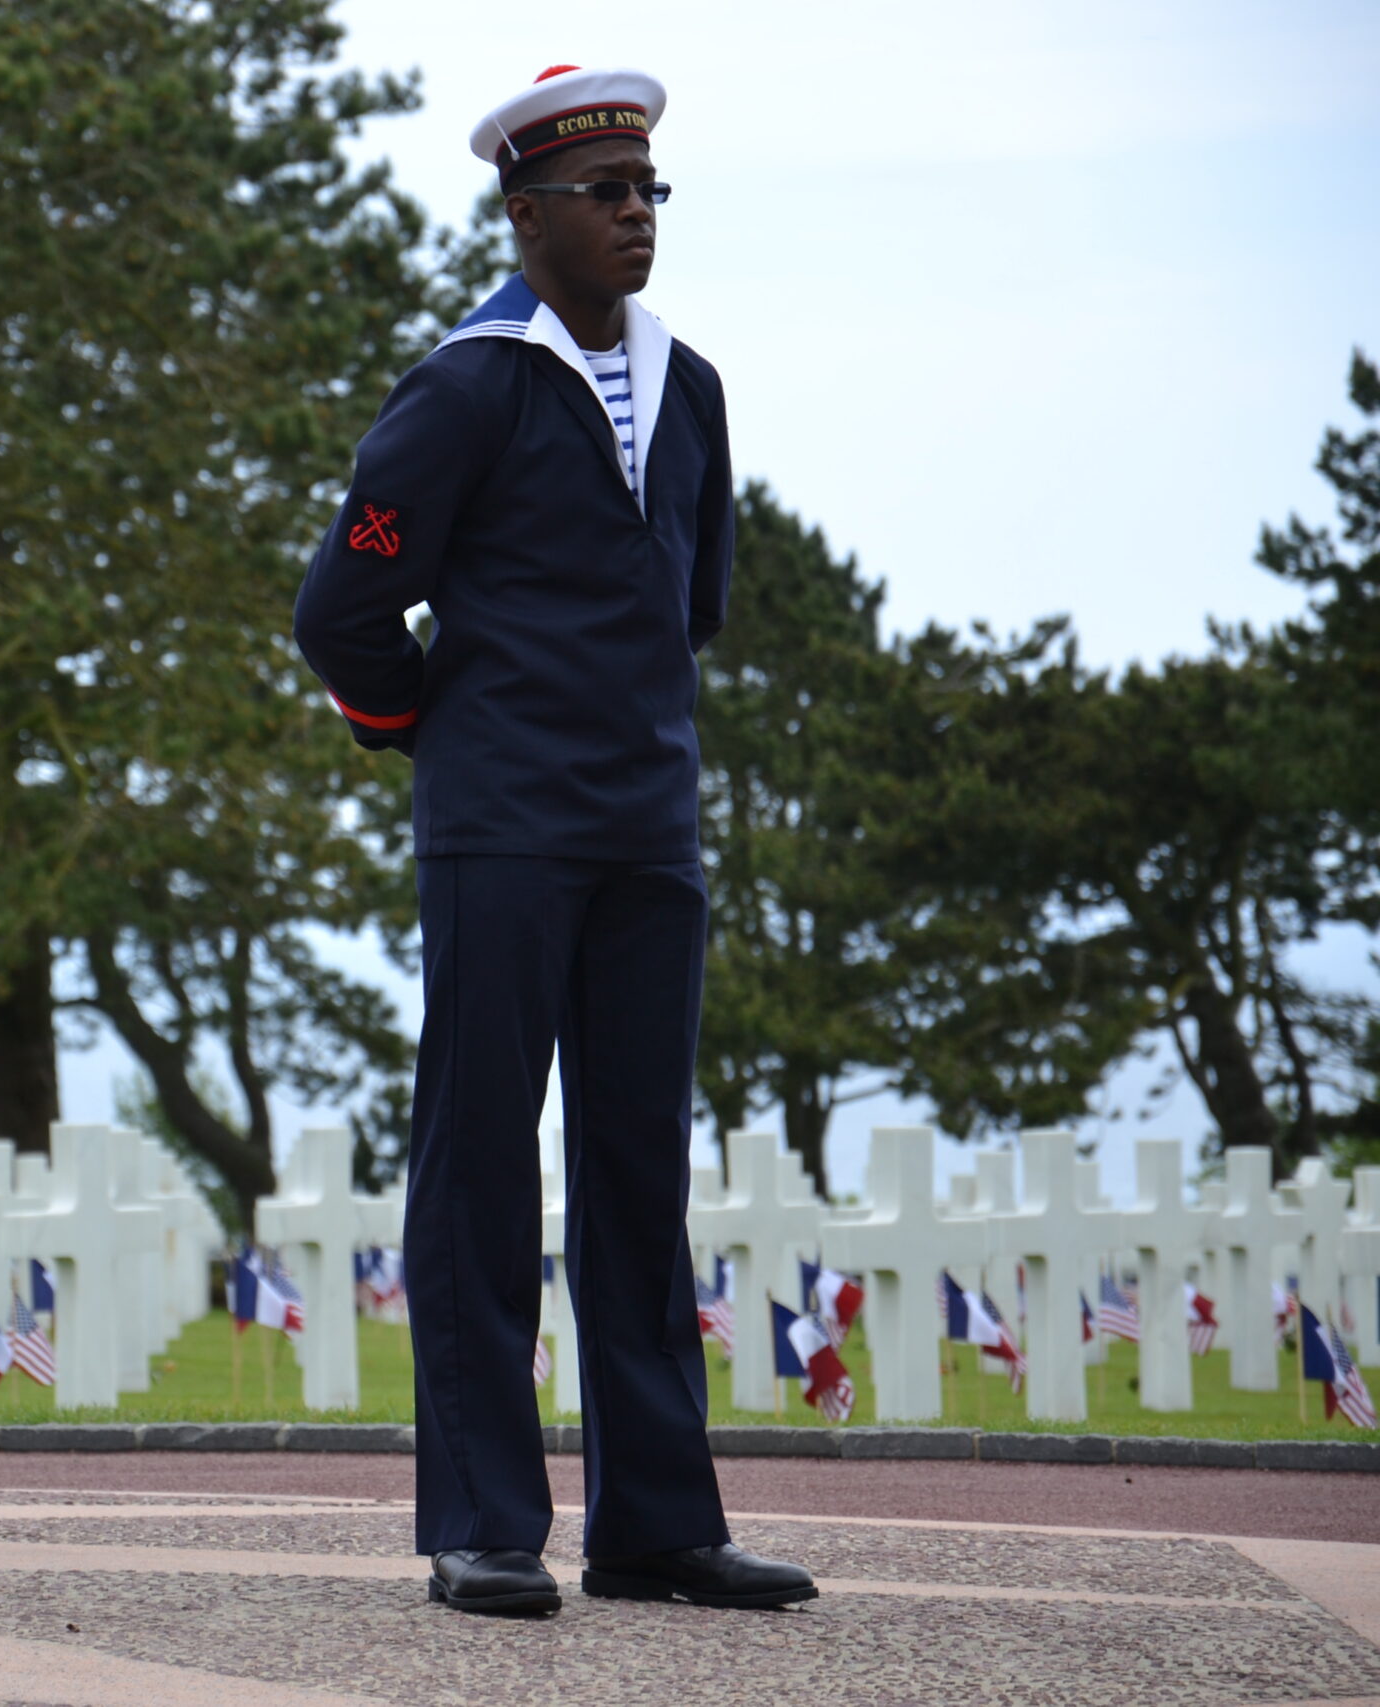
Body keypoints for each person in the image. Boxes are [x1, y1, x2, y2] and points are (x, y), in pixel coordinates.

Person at [293, 65, 816, 1616]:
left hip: (650, 830)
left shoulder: (692, 385)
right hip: (504, 830)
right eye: (606, 193)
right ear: (526, 216)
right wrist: (436, 731)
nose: (637, 214)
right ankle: (484, 1525)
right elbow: (343, 607)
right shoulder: (467, 385)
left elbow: (691, 604)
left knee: (639, 1173)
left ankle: (655, 1523)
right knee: (478, 1170)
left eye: (651, 189)